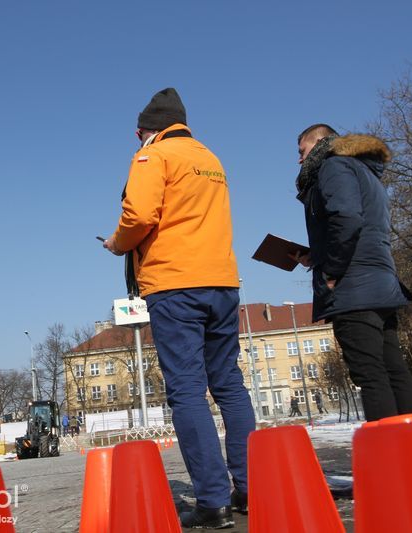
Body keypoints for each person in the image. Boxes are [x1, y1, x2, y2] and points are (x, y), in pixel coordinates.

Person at [103, 88, 255, 528]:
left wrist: (117, 244)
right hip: (223, 283)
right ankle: (248, 487)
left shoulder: (154, 156)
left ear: (143, 131)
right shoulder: (210, 157)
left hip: (175, 285)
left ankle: (212, 501)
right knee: (228, 383)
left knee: (187, 387)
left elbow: (139, 215)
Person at [293, 124, 412, 422]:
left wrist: (332, 270)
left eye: (302, 151)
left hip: (354, 288)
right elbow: (360, 225)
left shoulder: (333, 166)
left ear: (322, 142)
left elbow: (348, 217)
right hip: (380, 283)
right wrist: (316, 256)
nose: (300, 160)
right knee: (394, 369)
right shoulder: (364, 171)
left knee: (370, 373)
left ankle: (389, 456)